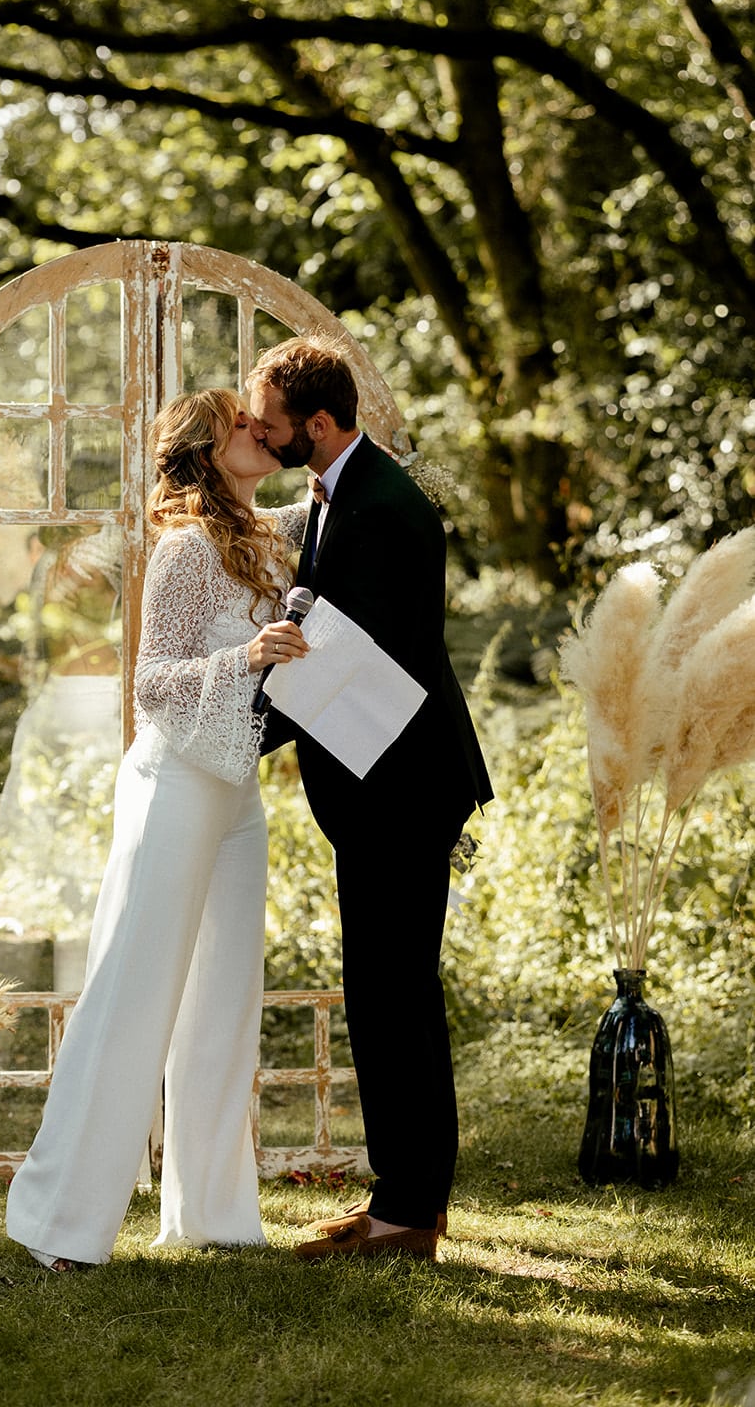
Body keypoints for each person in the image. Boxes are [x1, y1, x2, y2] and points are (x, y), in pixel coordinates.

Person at [6, 388, 308, 1271]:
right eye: (240, 426)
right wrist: (245, 657)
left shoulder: (270, 533)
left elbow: (338, 490)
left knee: (223, 1007)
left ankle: (212, 1215)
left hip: (237, 797)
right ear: (208, 453)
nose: (260, 430)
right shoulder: (181, 548)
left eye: (262, 421)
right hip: (172, 786)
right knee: (131, 999)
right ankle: (60, 1225)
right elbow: (150, 686)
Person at [246, 337, 492, 1263]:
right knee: (385, 993)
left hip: (399, 787)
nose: (261, 436)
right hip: (379, 784)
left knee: (393, 996)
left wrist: (229, 736)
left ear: (317, 423)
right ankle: (405, 1203)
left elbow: (350, 662)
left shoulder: (381, 509)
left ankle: (406, 1214)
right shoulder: (338, 495)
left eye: (271, 423)